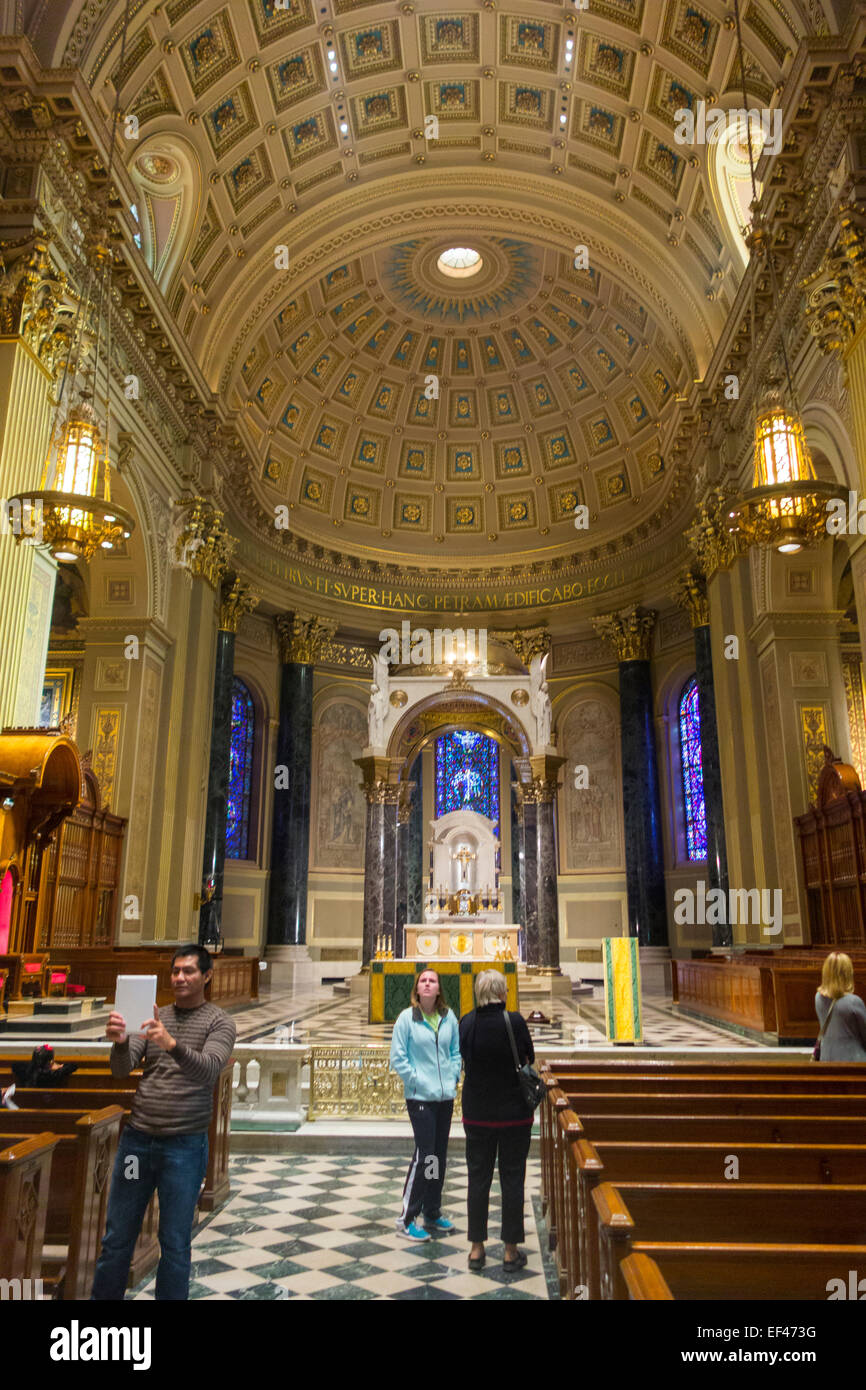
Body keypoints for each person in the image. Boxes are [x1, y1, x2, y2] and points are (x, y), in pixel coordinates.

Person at [91, 944, 236, 1300]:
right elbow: (120, 1071)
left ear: (207, 976)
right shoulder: (153, 1016)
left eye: (188, 971)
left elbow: (209, 1071)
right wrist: (122, 1042)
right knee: (116, 1236)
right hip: (136, 1144)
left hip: (183, 1147)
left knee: (174, 1241)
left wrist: (171, 1045)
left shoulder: (220, 1022)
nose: (180, 978)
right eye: (175, 972)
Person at [459, 969, 535, 1271]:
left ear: (479, 993)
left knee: (477, 1179)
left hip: (477, 1113)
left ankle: (476, 1249)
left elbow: (462, 1056)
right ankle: (510, 1250)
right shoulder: (515, 1021)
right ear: (503, 993)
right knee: (512, 1178)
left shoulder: (467, 1022)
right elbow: (528, 1057)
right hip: (514, 1115)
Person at [389, 966, 461, 1241]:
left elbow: (455, 1052)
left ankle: (432, 1209)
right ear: (417, 989)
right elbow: (398, 1056)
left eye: (432, 981)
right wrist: (416, 1081)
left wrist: (453, 1075)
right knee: (425, 1154)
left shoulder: (448, 1017)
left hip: (444, 1097)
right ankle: (408, 1217)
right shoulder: (407, 1019)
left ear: (439, 989)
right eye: (423, 981)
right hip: (420, 1098)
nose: (428, 984)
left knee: (437, 1155)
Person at [815, 951, 866, 1061]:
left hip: (826, 1058)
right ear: (847, 974)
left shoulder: (818, 997)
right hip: (853, 1060)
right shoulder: (853, 1002)